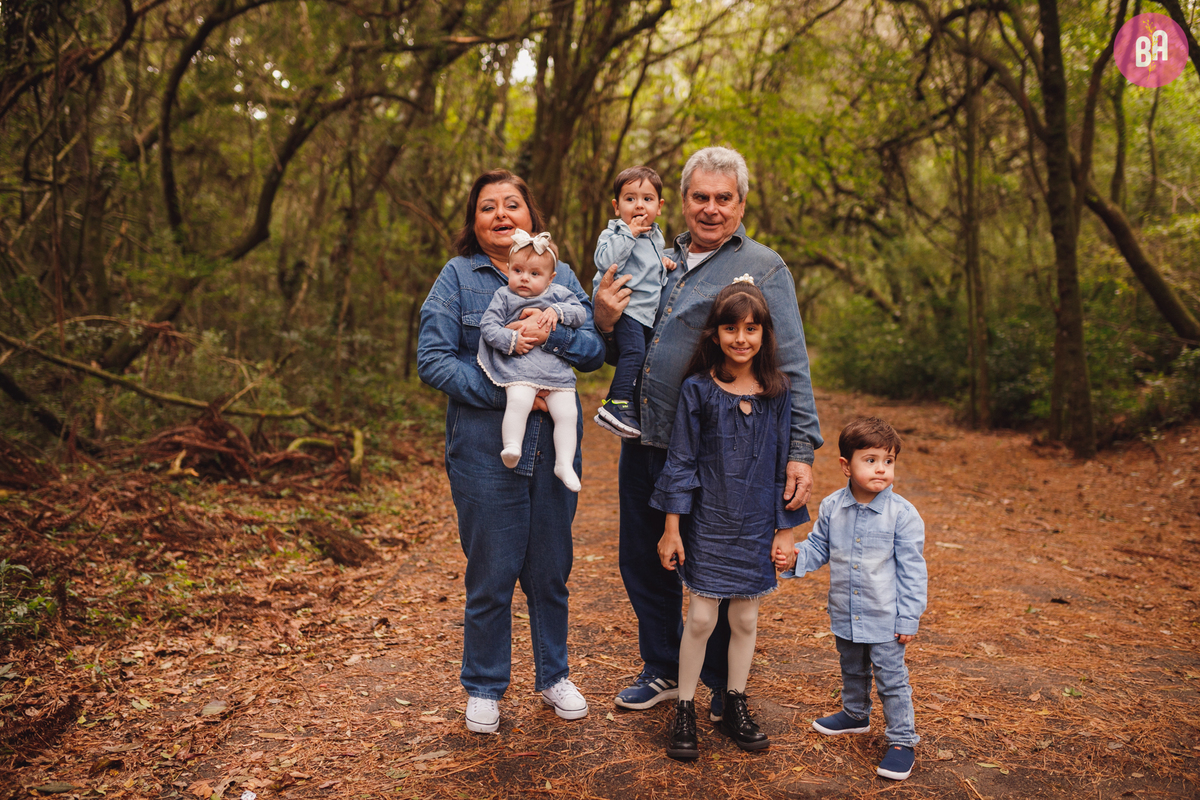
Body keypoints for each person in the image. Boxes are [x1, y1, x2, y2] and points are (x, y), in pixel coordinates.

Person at [592, 146, 822, 723]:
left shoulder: (763, 267)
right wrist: (601, 317)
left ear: (741, 203)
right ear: (683, 200)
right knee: (644, 558)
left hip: (716, 448)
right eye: (701, 197)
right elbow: (616, 348)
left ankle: (721, 685)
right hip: (644, 436)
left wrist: (799, 450)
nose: (711, 209)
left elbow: (789, 364)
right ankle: (665, 667)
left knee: (711, 567)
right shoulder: (653, 257)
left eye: (724, 198)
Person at [417, 170, 605, 735]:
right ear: (474, 225)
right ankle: (483, 686)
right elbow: (433, 359)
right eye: (487, 208)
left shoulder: (563, 274)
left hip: (553, 452)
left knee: (550, 571)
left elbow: (595, 349)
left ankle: (553, 677)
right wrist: (505, 394)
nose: (501, 214)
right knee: (492, 574)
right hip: (483, 449)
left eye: (512, 205)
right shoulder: (457, 278)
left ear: (532, 217)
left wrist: (554, 335)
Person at [651, 279, 808, 760]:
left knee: (745, 617)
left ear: (764, 334)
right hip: (709, 523)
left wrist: (785, 530)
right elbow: (680, 461)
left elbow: (785, 463)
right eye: (731, 328)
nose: (742, 339)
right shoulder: (698, 390)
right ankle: (685, 708)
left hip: (757, 523)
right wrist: (672, 527)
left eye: (752, 329)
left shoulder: (777, 392)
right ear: (714, 334)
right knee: (700, 618)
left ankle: (735, 702)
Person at [785, 417, 928, 781]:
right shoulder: (834, 506)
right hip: (846, 612)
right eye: (871, 460)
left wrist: (908, 618)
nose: (881, 468)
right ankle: (855, 714)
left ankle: (901, 740)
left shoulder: (903, 515)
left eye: (889, 461)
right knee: (852, 667)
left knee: (891, 679)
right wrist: (795, 557)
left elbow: (913, 572)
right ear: (846, 465)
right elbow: (819, 547)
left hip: (885, 617)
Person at [478, 230, 585, 492]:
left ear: (551, 278)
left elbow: (580, 314)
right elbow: (488, 325)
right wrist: (510, 340)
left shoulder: (559, 294)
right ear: (508, 270)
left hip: (554, 371)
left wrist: (556, 311)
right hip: (519, 367)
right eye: (518, 270)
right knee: (519, 402)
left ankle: (564, 463)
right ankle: (512, 446)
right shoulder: (504, 296)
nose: (524, 278)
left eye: (535, 274)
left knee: (567, 414)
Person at [591, 165, 676, 437]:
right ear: (617, 206)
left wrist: (662, 263)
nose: (639, 206)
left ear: (659, 206)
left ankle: (628, 401)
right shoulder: (615, 233)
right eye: (630, 199)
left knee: (643, 356)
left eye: (647, 199)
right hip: (626, 309)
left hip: (644, 313)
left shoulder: (655, 236)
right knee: (634, 353)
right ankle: (616, 401)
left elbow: (645, 267)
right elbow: (605, 261)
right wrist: (630, 233)